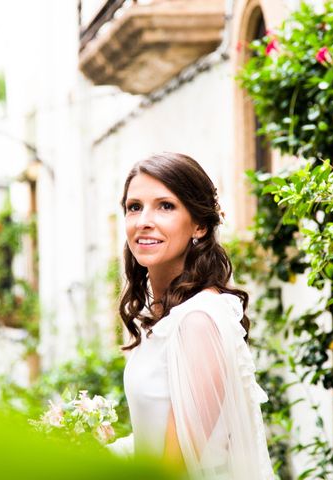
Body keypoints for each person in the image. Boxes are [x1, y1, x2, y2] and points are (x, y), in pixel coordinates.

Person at [119, 152, 274, 479]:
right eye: (134, 207)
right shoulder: (166, 316)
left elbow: (174, 468)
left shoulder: (198, 321)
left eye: (165, 206)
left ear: (200, 226)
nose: (144, 220)